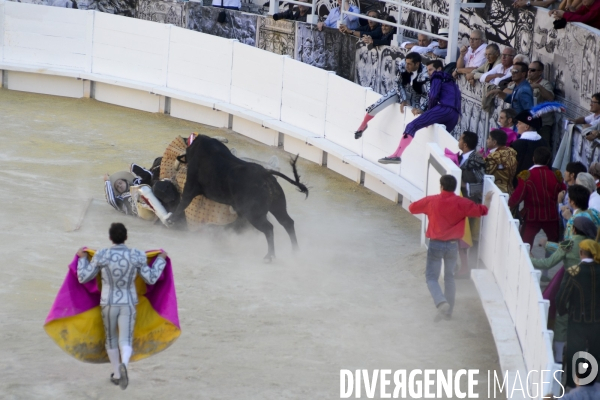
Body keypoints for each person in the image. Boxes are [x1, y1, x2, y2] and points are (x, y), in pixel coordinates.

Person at [76, 223, 168, 389]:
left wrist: (82, 258)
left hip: (108, 302)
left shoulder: (102, 254)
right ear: (126, 237)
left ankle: (118, 374)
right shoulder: (136, 255)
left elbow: (83, 277)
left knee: (111, 338)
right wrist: (160, 260)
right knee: (125, 339)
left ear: (110, 238)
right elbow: (151, 278)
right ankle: (124, 364)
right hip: (128, 302)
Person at [408, 175, 490, 321]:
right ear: (455, 187)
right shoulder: (461, 202)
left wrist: (429, 211)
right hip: (453, 245)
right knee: (449, 278)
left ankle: (440, 302)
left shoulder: (432, 201)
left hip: (435, 244)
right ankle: (448, 313)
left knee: (431, 277)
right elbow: (481, 211)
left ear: (441, 186)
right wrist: (488, 202)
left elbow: (412, 208)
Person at [531, 217, 598, 364]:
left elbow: (548, 263)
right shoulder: (594, 245)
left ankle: (558, 357)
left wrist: (530, 260)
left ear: (574, 229)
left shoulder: (569, 243)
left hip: (570, 285)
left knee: (562, 319)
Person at [377, 59, 460, 164]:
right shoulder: (451, 81)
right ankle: (455, 161)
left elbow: (433, 95)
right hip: (455, 114)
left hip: (443, 109)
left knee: (411, 126)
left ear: (439, 69)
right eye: (428, 70)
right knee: (441, 141)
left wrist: (429, 112)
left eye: (431, 70)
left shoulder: (437, 75)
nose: (429, 73)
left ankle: (396, 155)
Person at [556, 238, 600, 388]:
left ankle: (573, 384)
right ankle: (592, 382)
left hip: (577, 319)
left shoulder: (573, 271)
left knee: (576, 352)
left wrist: (563, 311)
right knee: (595, 352)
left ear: (581, 253)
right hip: (597, 321)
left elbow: (562, 297)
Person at [354, 52, 429, 139]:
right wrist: (403, 99)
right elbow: (397, 83)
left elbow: (428, 94)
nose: (406, 66)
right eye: (406, 63)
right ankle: (363, 125)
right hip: (400, 92)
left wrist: (421, 108)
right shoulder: (402, 65)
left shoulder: (425, 74)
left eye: (409, 64)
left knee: (417, 120)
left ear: (417, 64)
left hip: (416, 97)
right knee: (374, 107)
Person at [508, 147, 565, 248]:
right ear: (548, 160)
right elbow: (563, 193)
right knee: (553, 244)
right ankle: (550, 262)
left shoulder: (527, 176)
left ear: (533, 158)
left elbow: (518, 197)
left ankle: (525, 262)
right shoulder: (556, 176)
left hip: (531, 216)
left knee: (525, 244)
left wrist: (508, 206)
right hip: (551, 215)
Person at [511, 109, 550, 175]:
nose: (517, 125)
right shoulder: (544, 142)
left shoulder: (516, 145)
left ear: (526, 127)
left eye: (519, 123)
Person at [528, 61, 556, 144]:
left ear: (540, 72)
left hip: (543, 123)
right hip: (528, 122)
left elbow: (550, 98)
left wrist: (538, 87)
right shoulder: (525, 82)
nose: (529, 72)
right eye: (528, 69)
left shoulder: (545, 84)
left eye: (532, 70)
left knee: (542, 147)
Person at [484, 129, 518, 194]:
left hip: (497, 192)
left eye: (489, 138)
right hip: (510, 190)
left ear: (494, 142)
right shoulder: (511, 152)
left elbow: (485, 174)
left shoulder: (493, 157)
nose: (487, 141)